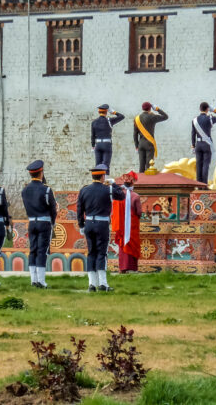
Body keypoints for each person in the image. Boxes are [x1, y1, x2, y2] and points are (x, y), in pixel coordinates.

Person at [77, 163, 125, 292]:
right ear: (103, 177)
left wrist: (81, 224)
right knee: (102, 253)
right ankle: (103, 284)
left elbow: (79, 209)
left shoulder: (84, 190)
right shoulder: (108, 189)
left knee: (91, 252)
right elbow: (121, 195)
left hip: (89, 224)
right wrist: (114, 184)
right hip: (102, 224)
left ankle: (92, 284)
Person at [21, 160, 58, 289]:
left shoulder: (25, 190)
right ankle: (41, 281)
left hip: (32, 221)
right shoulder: (46, 190)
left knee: (33, 250)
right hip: (44, 222)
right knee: (42, 250)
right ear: (41, 173)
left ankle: (33, 279)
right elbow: (53, 208)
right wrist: (53, 221)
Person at [111, 169, 142, 273]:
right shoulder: (136, 196)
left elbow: (113, 211)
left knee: (122, 245)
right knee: (132, 245)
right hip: (132, 227)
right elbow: (139, 212)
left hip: (121, 226)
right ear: (132, 183)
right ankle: (132, 267)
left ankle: (122, 267)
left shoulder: (117, 195)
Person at [191, 102, 216, 184]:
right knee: (205, 165)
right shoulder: (210, 118)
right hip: (207, 144)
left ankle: (199, 185)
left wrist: (193, 146)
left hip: (198, 145)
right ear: (208, 109)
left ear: (200, 109)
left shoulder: (194, 120)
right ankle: (204, 185)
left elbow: (193, 134)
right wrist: (214, 110)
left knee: (199, 165)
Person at [134, 102, 168, 173]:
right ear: (150, 108)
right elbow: (165, 116)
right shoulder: (152, 117)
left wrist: (136, 146)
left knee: (141, 166)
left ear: (142, 108)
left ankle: (141, 182)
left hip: (141, 144)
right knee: (149, 166)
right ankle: (147, 182)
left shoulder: (136, 118)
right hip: (149, 143)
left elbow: (135, 134)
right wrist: (157, 109)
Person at [91, 104, 125, 174]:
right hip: (106, 144)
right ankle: (105, 182)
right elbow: (122, 116)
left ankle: (98, 181)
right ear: (106, 112)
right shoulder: (109, 121)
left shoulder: (94, 122)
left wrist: (93, 146)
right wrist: (113, 112)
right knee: (106, 166)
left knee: (98, 165)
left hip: (98, 145)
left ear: (99, 112)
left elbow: (93, 135)